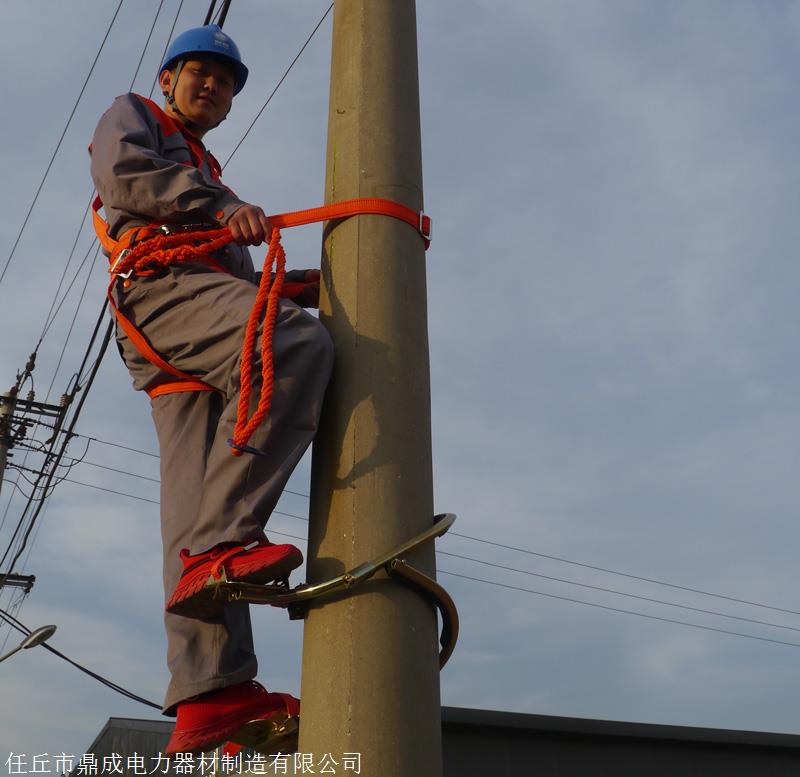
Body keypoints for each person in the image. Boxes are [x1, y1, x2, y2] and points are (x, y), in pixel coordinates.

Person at [89, 24, 333, 755]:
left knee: (192, 504)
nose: (212, 86)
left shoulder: (208, 170)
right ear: (169, 79)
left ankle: (210, 690)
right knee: (290, 340)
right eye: (200, 73)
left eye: (224, 82)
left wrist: (295, 285)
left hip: (183, 311)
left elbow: (226, 278)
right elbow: (124, 174)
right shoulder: (136, 115)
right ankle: (226, 543)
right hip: (160, 290)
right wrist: (220, 208)